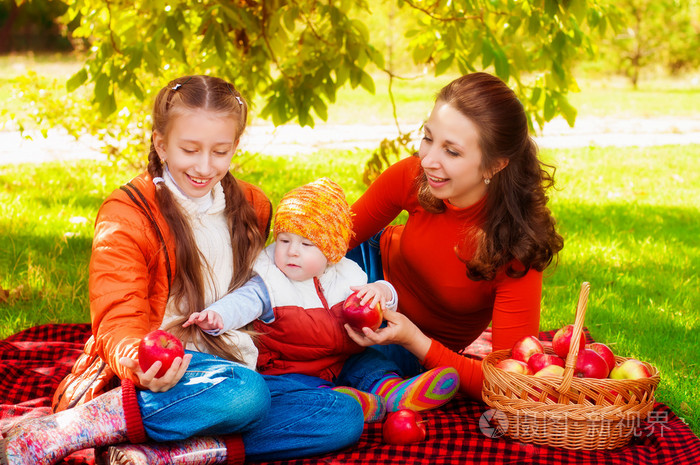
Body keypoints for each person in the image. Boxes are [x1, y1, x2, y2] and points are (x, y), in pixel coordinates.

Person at [1, 75, 363, 465]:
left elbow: (282, 278)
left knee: (341, 415)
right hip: (163, 372)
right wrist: (138, 361)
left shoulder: (252, 205)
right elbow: (117, 313)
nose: (205, 167)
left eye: (220, 152)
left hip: (239, 367)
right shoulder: (128, 215)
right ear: (161, 143)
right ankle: (63, 431)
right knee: (245, 395)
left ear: (235, 147)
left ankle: (162, 453)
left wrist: (367, 295)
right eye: (189, 149)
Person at [345, 72, 565, 401]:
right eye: (428, 138)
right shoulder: (413, 176)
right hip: (365, 270)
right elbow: (336, 236)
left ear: (494, 166)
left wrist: (412, 339)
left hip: (413, 340)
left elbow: (506, 384)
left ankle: (380, 383)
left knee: (353, 351)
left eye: (452, 151)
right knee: (299, 261)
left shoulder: (517, 251)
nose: (429, 160)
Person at [187, 177, 459, 423]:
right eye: (284, 240)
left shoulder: (344, 273)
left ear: (331, 252)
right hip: (291, 368)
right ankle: (346, 400)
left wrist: (381, 291)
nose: (292, 252)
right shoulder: (271, 281)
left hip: (343, 359)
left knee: (371, 362)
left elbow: (382, 300)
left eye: (306, 245)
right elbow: (242, 302)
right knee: (295, 390)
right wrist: (216, 316)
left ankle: (392, 390)